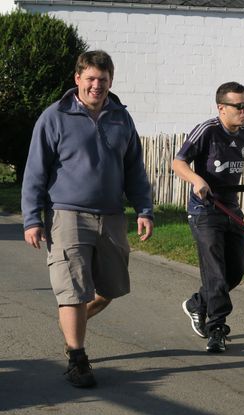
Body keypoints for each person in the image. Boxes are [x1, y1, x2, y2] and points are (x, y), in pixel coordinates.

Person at [21, 50, 154, 388]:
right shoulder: (54, 117)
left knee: (111, 289)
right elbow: (35, 170)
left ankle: (71, 321)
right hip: (67, 214)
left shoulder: (121, 118)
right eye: (91, 79)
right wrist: (31, 218)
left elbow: (134, 169)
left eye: (103, 80)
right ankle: (77, 357)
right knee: (73, 291)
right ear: (77, 78)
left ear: (111, 81)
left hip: (110, 215)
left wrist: (144, 209)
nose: (97, 85)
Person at [172, 82, 244, 353]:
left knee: (236, 271)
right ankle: (217, 328)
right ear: (221, 108)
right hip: (205, 211)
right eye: (239, 106)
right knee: (215, 271)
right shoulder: (208, 131)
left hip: (231, 210)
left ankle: (197, 303)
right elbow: (178, 162)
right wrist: (196, 179)